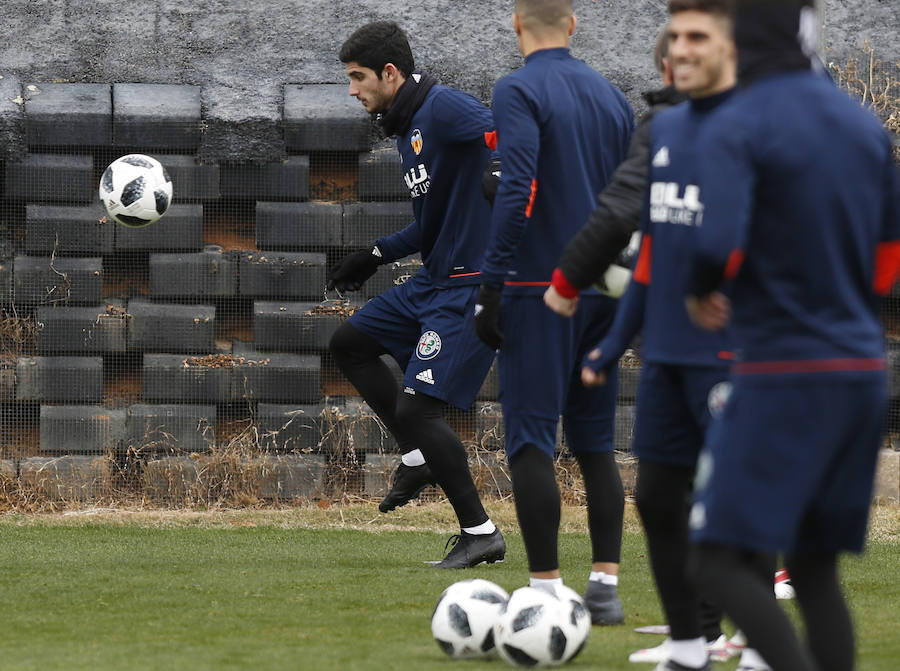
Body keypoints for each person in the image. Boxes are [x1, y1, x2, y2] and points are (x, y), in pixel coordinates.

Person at [684, 1, 900, 670]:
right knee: (813, 571)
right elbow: (890, 263)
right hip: (863, 371)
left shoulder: (738, 120)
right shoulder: (862, 125)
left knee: (715, 559)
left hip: (783, 371)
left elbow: (716, 241)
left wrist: (700, 289)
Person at [578, 2, 776, 669]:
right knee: (659, 496)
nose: (681, 50)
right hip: (664, 354)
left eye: (698, 37)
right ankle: (689, 642)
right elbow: (652, 252)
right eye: (676, 38)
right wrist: (613, 342)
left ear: (731, 47)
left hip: (733, 355)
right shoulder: (664, 130)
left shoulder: (757, 131)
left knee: (735, 500)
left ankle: (755, 640)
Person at [471, 0, 634, 624]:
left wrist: (491, 283)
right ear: (574, 24)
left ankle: (543, 591)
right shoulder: (613, 98)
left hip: (539, 287)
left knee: (532, 439)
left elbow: (518, 186)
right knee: (595, 443)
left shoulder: (516, 88)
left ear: (517, 25)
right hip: (603, 289)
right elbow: (628, 194)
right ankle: (605, 587)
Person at [328, 21, 505, 569]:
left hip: (466, 286)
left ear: (390, 73)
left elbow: (507, 134)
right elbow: (432, 226)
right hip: (433, 280)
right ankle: (417, 458)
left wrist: (501, 166)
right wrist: (374, 255)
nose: (352, 90)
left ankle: (481, 533)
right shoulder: (407, 130)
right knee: (350, 342)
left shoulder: (445, 107)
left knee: (419, 406)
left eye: (358, 78)